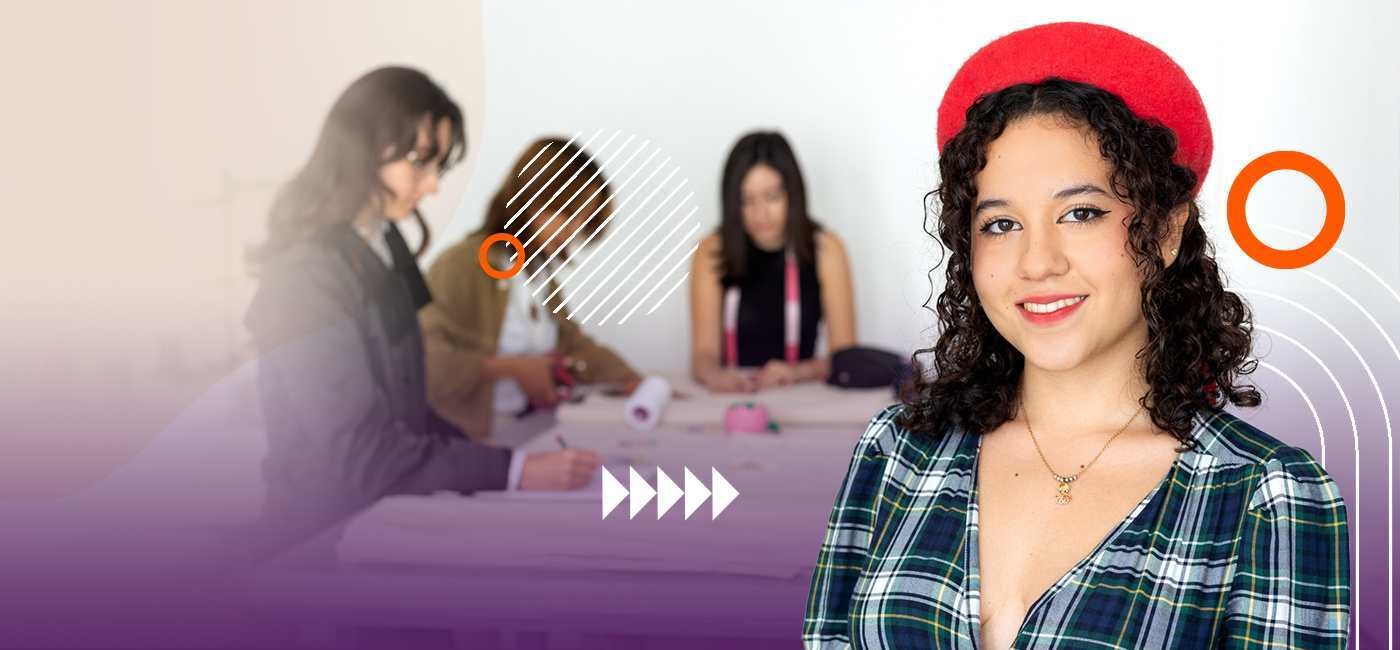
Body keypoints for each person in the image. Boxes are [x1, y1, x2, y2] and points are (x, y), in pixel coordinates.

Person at [804, 23, 1350, 649]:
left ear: (1167, 232)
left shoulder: (1264, 495)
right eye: (1001, 223)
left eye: (1080, 213)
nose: (1037, 262)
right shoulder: (897, 452)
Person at [244, 68, 600, 556]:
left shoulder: (386, 243)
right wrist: (512, 471)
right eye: (420, 163)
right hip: (320, 536)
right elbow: (357, 452)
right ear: (361, 150)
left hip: (386, 515)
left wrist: (504, 463)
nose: (432, 186)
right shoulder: (304, 277)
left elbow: (410, 412)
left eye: (438, 167)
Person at [421, 137, 643, 445]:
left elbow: (573, 346)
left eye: (581, 219)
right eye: (564, 214)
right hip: (474, 442)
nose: (571, 231)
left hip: (531, 430)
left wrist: (635, 381)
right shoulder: (461, 265)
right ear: (528, 198)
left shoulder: (537, 273)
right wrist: (510, 368)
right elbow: (423, 363)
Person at [689, 131, 856, 393]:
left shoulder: (826, 250)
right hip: (733, 396)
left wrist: (798, 372)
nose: (760, 213)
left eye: (772, 197)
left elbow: (845, 357)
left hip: (803, 395)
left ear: (793, 193)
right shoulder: (711, 251)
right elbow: (703, 355)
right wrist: (714, 376)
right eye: (746, 201)